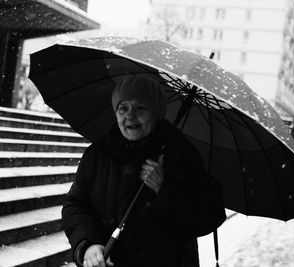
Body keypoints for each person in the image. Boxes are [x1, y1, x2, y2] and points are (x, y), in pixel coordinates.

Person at [62, 74, 226, 267]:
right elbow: (75, 204)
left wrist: (165, 190)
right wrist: (87, 245)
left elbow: (210, 215)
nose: (129, 116)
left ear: (156, 113)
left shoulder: (182, 153)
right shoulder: (98, 153)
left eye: (140, 108)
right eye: (123, 108)